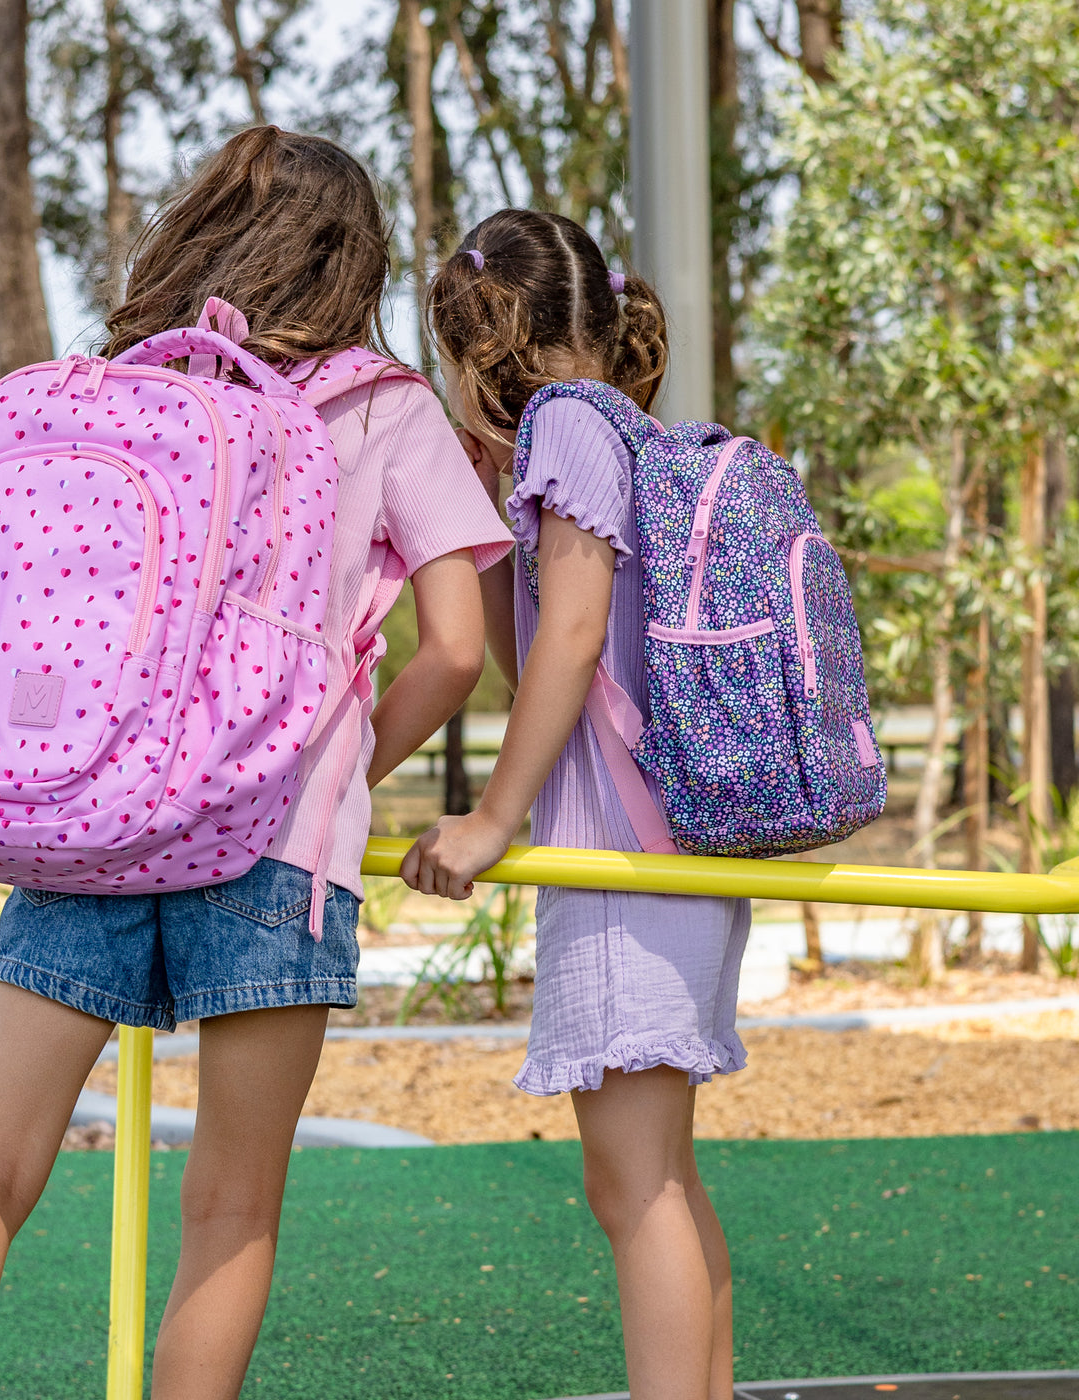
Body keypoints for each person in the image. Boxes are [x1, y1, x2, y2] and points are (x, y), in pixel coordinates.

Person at [0, 126, 512, 1400]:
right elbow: (453, 649)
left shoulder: (123, 384)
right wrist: (330, 758)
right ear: (354, 260)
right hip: (273, 843)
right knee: (227, 1204)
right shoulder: (384, 403)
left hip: (92, 814)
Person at [402, 208, 749, 1400]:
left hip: (621, 854)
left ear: (478, 339)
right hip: (662, 845)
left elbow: (573, 638)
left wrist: (491, 815)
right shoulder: (610, 432)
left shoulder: (565, 423)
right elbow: (547, 647)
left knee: (632, 1183)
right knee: (661, 1174)